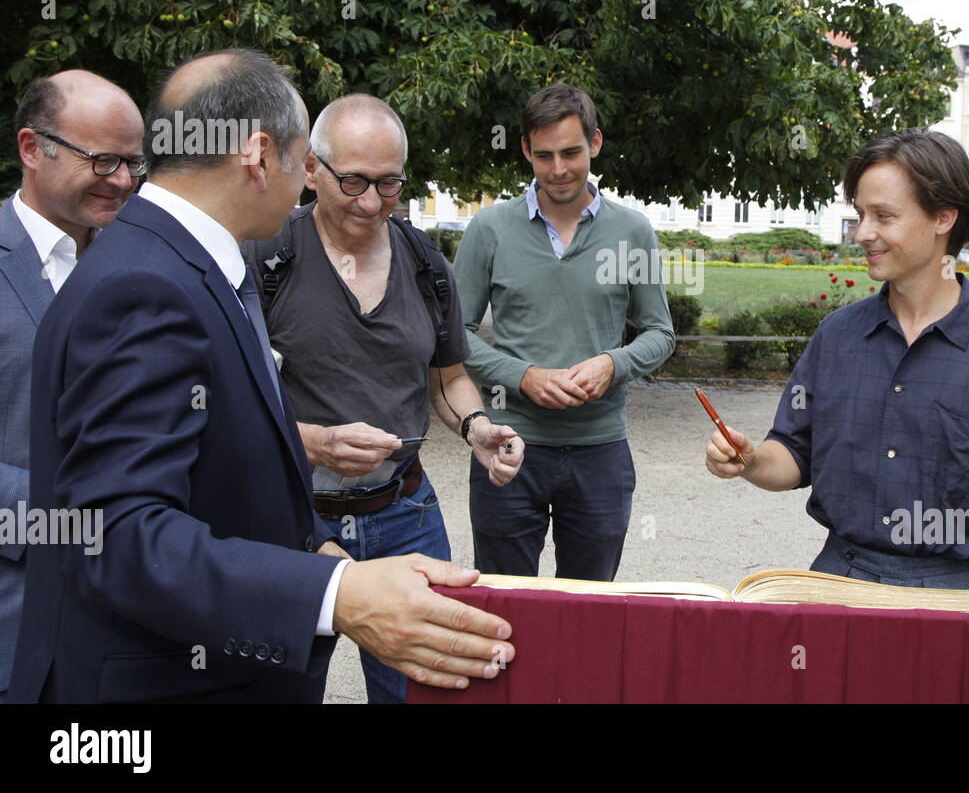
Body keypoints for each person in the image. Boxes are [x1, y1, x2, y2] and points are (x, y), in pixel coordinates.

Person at [9, 49, 514, 703]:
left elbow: (220, 483)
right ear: (258, 154)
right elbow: (116, 534)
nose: (306, 180)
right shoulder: (146, 283)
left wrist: (335, 561)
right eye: (304, 159)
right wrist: (339, 595)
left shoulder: (187, 263)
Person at [703, 129, 969, 597]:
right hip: (838, 577)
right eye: (860, 214)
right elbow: (794, 455)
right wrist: (751, 459)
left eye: (884, 216)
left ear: (943, 218)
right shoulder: (837, 336)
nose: (862, 233)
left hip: (956, 594)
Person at [247, 93, 523, 704]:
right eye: (353, 181)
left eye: (389, 184)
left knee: (423, 691)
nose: (371, 203)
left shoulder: (426, 263)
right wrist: (314, 443)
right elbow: (225, 407)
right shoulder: (265, 256)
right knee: (275, 690)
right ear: (312, 169)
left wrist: (478, 426)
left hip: (406, 515)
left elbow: (448, 379)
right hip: (292, 519)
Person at [454, 82, 675, 581]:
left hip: (600, 452)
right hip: (510, 444)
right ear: (527, 150)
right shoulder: (489, 229)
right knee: (504, 602)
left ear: (595, 143)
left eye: (572, 153)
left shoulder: (631, 231)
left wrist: (612, 363)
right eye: (545, 155)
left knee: (590, 609)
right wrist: (523, 376)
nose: (558, 170)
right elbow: (455, 334)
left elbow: (660, 332)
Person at [0, 71, 143, 702]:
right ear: (32, 148)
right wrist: (77, 521)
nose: (122, 180)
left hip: (137, 630)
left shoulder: (142, 262)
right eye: (103, 160)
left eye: (133, 163)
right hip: (17, 620)